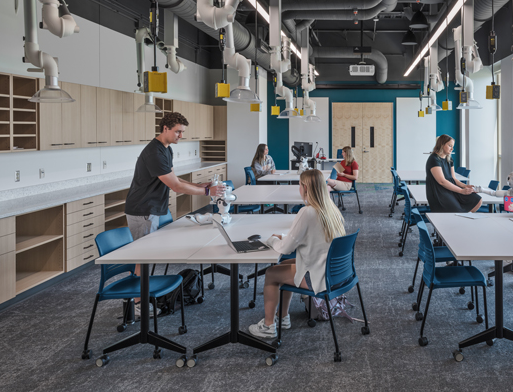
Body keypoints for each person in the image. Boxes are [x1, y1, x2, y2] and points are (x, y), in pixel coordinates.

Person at [124, 112, 226, 318]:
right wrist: (208, 192)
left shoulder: (165, 149)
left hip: (152, 208)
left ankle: (140, 297)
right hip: (143, 210)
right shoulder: (154, 152)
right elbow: (176, 186)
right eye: (178, 131)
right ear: (165, 129)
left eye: (182, 132)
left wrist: (199, 185)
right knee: (141, 258)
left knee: (146, 256)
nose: (181, 135)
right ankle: (137, 304)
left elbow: (174, 177)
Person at [248, 169, 347, 338]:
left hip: (318, 277)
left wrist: (272, 240)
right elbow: (315, 235)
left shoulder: (307, 212)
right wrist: (287, 237)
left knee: (272, 273)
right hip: (335, 273)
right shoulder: (331, 208)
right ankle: (283, 317)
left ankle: (268, 326)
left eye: (299, 185)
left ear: (305, 187)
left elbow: (285, 249)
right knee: (285, 266)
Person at [425, 134, 482, 213]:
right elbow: (442, 181)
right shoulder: (434, 159)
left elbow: (453, 178)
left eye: (452, 146)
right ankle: (459, 220)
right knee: (457, 211)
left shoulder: (449, 158)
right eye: (449, 145)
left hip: (451, 188)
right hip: (439, 192)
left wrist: (465, 186)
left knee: (477, 200)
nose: (452, 148)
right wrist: (461, 191)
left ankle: (463, 219)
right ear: (441, 144)